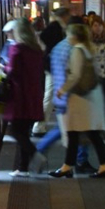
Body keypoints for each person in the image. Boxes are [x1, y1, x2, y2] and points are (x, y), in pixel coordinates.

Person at [49, 23, 105, 179]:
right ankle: (98, 166)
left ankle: (69, 166)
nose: (67, 37)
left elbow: (75, 75)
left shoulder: (77, 50)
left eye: (69, 34)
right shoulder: (87, 49)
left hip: (80, 98)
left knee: (75, 132)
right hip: (90, 96)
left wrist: (62, 89)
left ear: (75, 36)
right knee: (88, 133)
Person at [34, 16, 92, 173]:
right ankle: (77, 161)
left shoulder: (58, 47)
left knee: (66, 129)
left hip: (62, 96)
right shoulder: (75, 48)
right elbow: (76, 75)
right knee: (78, 130)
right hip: (73, 96)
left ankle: (73, 161)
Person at [0, 19, 45, 177]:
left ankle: (35, 155)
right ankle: (23, 168)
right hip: (33, 94)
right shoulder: (37, 49)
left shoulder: (17, 48)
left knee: (15, 131)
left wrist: (2, 67)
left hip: (20, 95)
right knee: (24, 131)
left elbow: (12, 71)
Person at [33, 7, 70, 136]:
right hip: (54, 67)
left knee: (52, 96)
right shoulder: (55, 27)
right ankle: (39, 126)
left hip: (53, 66)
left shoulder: (57, 27)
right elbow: (43, 38)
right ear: (64, 16)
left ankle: (41, 125)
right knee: (49, 97)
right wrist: (50, 52)